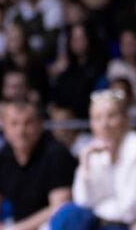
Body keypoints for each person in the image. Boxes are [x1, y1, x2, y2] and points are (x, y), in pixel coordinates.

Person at [0, 99, 76, 230]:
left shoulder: (57, 154)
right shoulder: (2, 157)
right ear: (4, 128)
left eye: (28, 123)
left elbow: (59, 207)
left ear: (40, 125)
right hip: (16, 224)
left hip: (47, 224)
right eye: (14, 124)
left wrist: (15, 228)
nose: (21, 131)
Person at [50, 90, 136, 230]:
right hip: (100, 220)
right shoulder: (92, 150)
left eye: (111, 116)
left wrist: (98, 211)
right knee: (68, 213)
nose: (104, 124)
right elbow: (82, 201)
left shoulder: (133, 148)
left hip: (124, 224)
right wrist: (85, 162)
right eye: (97, 118)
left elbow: (129, 210)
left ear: (125, 119)